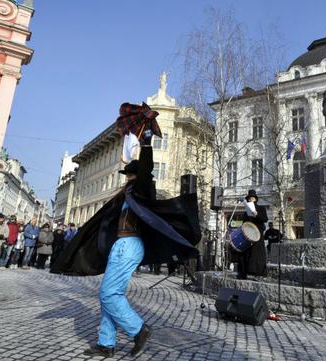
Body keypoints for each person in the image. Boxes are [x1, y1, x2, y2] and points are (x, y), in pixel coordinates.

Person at [54, 129, 200, 358]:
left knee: (108, 293)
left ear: (135, 176)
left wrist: (147, 144)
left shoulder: (141, 190)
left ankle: (139, 329)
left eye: (129, 175)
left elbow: (146, 170)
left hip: (130, 245)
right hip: (119, 246)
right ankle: (106, 343)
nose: (127, 177)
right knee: (112, 294)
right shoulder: (126, 197)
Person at [232, 189, 268, 280]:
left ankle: (258, 274)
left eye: (252, 198)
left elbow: (265, 219)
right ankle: (243, 273)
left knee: (257, 254)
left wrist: (257, 215)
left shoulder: (261, 208)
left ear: (255, 199)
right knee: (244, 252)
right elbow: (244, 223)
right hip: (248, 234)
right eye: (249, 198)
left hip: (257, 233)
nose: (251, 199)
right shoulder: (246, 212)